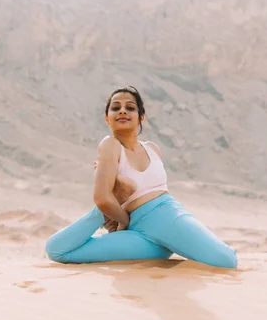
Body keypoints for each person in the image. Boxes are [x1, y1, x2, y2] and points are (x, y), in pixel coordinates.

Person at [45, 86, 238, 268]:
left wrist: (121, 219)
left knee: (226, 260)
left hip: (165, 217)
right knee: (57, 250)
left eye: (130, 107)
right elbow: (102, 199)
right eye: (115, 108)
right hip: (138, 232)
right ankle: (110, 218)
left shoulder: (153, 149)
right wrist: (120, 220)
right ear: (107, 118)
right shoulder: (110, 145)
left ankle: (168, 239)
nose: (122, 111)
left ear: (141, 117)